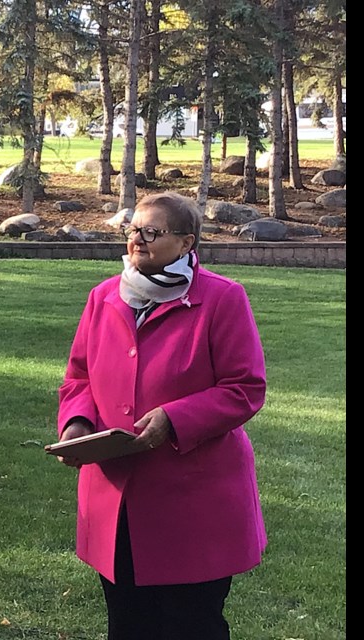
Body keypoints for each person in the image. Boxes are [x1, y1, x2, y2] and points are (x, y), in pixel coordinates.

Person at [54, 191, 267, 640]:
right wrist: (78, 425)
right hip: (117, 501)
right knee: (128, 623)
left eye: (153, 232)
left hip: (194, 504)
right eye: (133, 229)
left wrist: (174, 418)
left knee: (192, 625)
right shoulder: (103, 297)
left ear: (187, 243)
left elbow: (244, 388)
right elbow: (79, 377)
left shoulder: (222, 298)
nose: (138, 239)